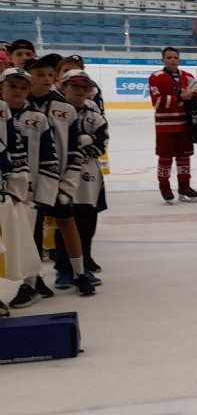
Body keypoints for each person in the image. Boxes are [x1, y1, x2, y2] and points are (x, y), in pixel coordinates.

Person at [24, 55, 91, 298]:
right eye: (39, 74)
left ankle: (80, 274)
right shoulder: (19, 106)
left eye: (50, 75)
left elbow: (74, 149)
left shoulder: (65, 108)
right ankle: (32, 281)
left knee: (67, 223)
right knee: (31, 230)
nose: (45, 79)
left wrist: (68, 184)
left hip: (58, 179)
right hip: (29, 181)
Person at [1, 66, 58, 308]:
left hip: (28, 192)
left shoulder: (38, 119)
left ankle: (31, 284)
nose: (17, 91)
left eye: (23, 87)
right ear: (1, 88)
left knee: (31, 238)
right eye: (12, 86)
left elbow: (49, 157)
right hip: (5, 190)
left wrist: (45, 194)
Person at [53, 69, 107, 290]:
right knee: (63, 222)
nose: (80, 90)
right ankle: (63, 269)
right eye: (74, 86)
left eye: (85, 87)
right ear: (63, 87)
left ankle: (83, 265)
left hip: (88, 178)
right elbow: (56, 143)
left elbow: (101, 145)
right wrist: (86, 139)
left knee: (86, 223)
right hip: (61, 175)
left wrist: (79, 145)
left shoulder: (95, 116)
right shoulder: (55, 114)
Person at [148, 47, 197, 204]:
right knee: (165, 157)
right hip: (165, 126)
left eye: (175, 57)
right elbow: (157, 102)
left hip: (185, 125)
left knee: (184, 157)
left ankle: (184, 186)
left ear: (179, 60)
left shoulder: (188, 77)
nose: (172, 60)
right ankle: (164, 187)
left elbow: (195, 98)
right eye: (169, 57)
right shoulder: (156, 77)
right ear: (163, 60)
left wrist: (192, 96)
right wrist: (180, 97)